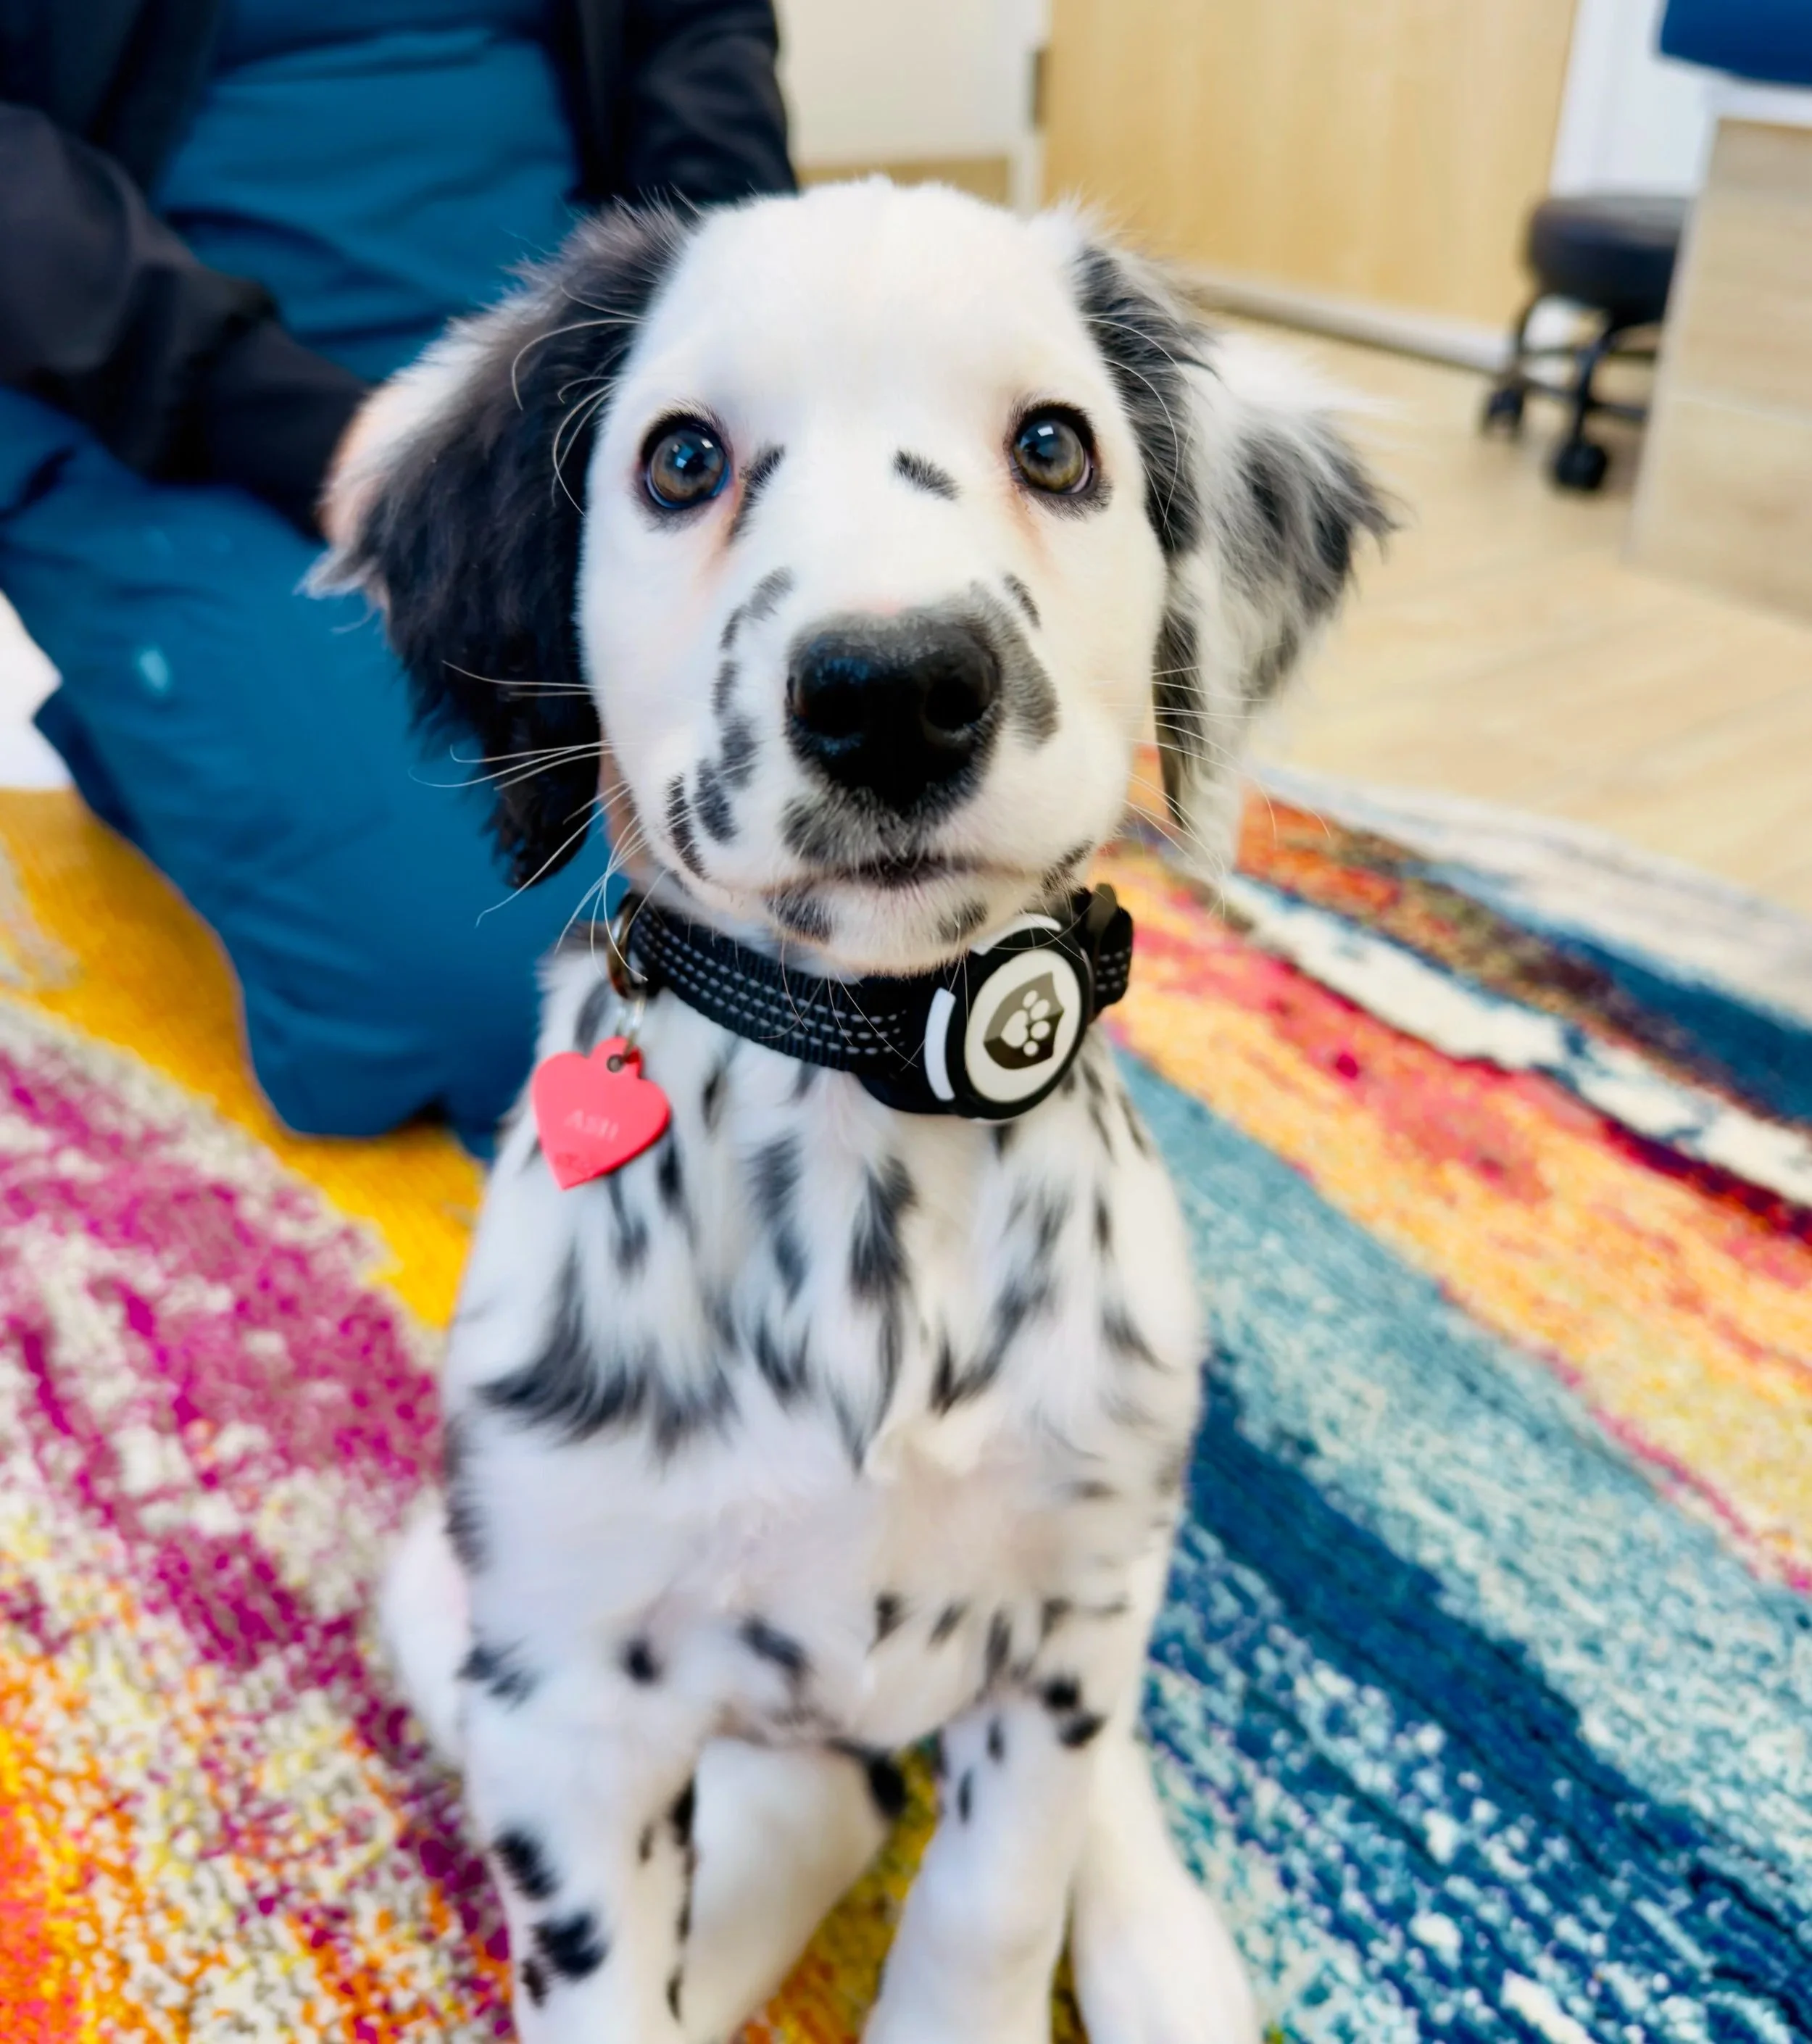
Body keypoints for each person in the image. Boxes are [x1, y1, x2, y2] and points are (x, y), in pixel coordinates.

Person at [0, 0, 792, 1149]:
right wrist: (317, 437)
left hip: (554, 383)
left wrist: (727, 349)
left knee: (850, 896)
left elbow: (691, 36)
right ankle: (209, 724)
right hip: (159, 393)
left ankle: (235, 749)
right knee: (531, 997)